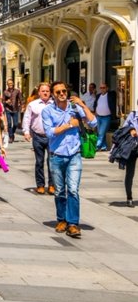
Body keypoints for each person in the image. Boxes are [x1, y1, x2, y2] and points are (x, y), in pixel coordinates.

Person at [42, 81, 96, 238]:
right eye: (58, 92)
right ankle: (61, 219)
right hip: (56, 155)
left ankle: (73, 223)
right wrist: (68, 125)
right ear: (53, 94)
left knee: (72, 189)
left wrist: (82, 105)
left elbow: (93, 122)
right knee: (59, 190)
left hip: (74, 154)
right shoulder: (48, 111)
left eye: (64, 91)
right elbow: (50, 133)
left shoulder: (75, 108)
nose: (62, 94)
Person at [23, 83, 55, 195]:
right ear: (39, 92)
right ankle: (40, 185)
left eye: (47, 91)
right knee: (39, 161)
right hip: (38, 136)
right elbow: (27, 118)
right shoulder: (33, 104)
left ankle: (52, 185)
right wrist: (26, 132)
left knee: (52, 161)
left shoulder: (54, 104)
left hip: (52, 137)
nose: (45, 93)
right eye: (43, 91)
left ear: (50, 92)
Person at [109, 110, 138, 207]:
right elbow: (123, 128)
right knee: (130, 173)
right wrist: (130, 129)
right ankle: (129, 198)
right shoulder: (133, 115)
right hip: (132, 147)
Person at [95, 82, 116, 151]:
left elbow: (114, 93)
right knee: (100, 132)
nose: (102, 89)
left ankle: (97, 146)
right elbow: (95, 104)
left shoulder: (110, 95)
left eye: (104, 88)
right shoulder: (98, 96)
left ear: (107, 88)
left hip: (106, 117)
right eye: (101, 88)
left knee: (101, 132)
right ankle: (104, 147)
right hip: (98, 117)